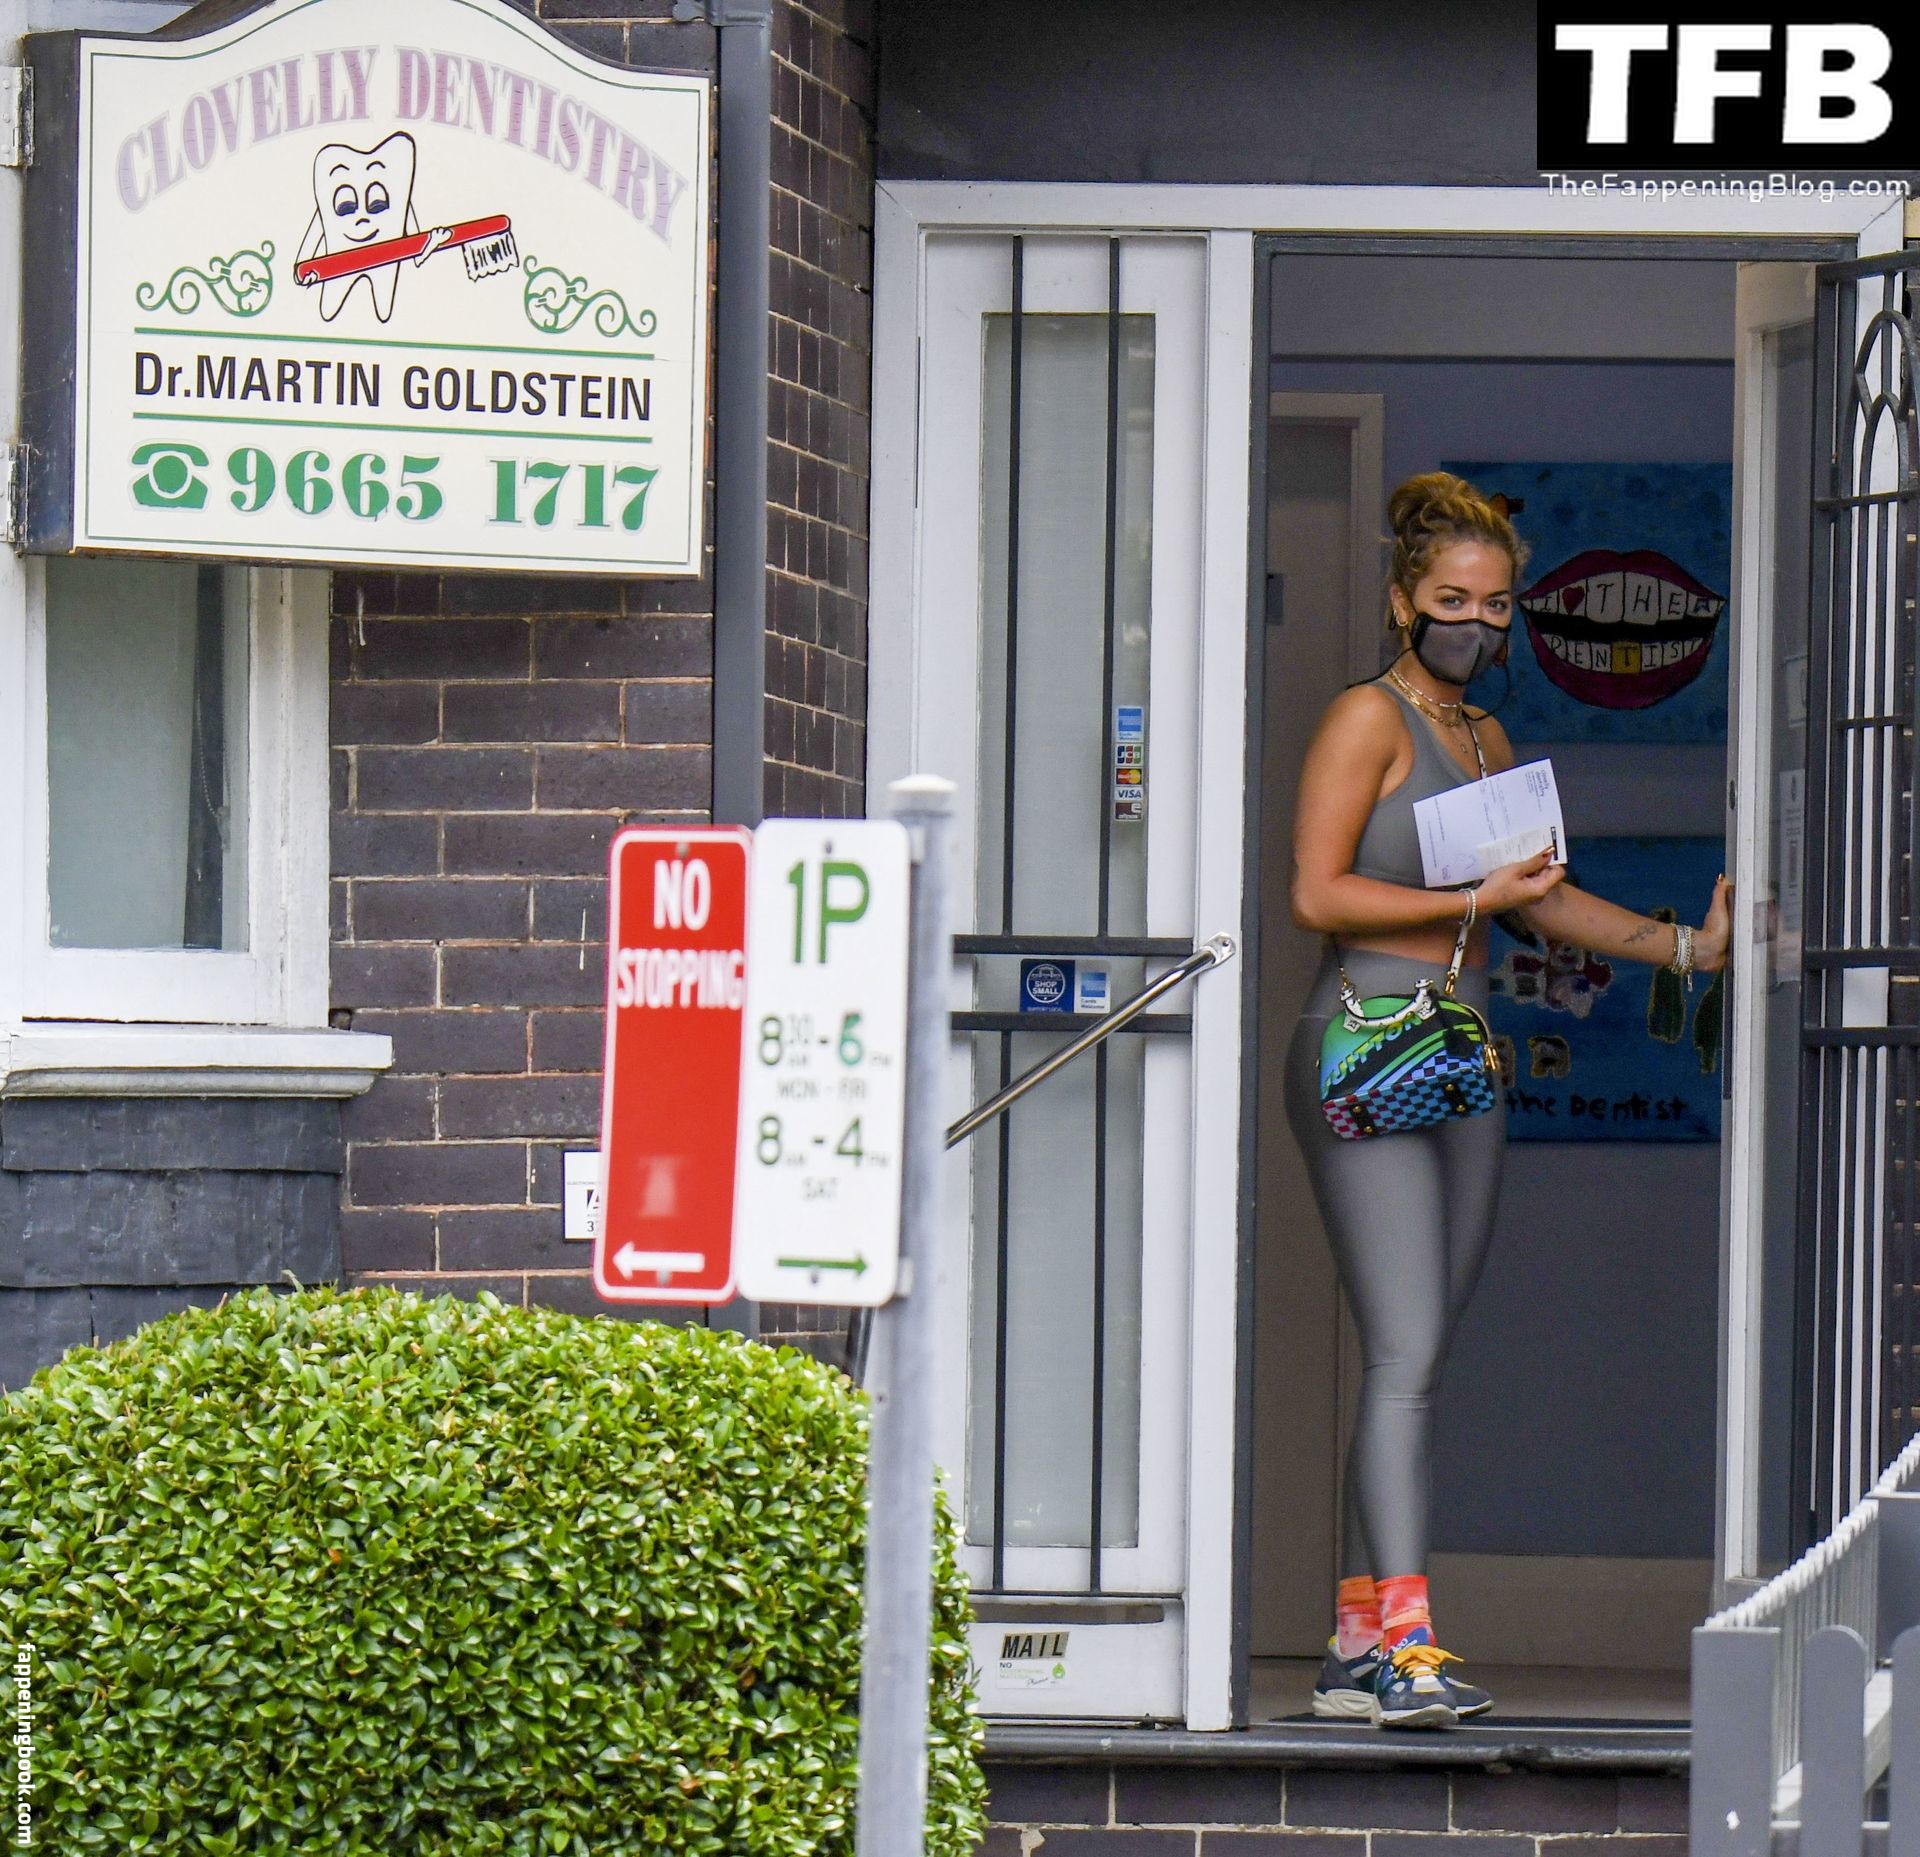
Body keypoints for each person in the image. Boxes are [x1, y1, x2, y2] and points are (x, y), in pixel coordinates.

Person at [1284, 471, 1733, 1730]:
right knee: (1406, 1353)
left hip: (1462, 1048)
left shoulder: (1489, 739)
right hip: (1367, 1038)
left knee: (1420, 1354)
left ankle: (1356, 1640)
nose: (1475, 625)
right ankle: (1404, 1651)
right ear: (1401, 600)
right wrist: (1472, 901)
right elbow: (1316, 894)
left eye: (1495, 606)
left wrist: (1686, 949)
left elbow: (1546, 898)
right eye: (1451, 602)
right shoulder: (1366, 719)